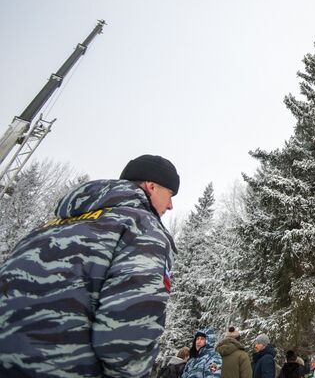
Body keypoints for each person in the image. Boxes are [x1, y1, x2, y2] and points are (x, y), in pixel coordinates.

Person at [0, 154, 180, 378]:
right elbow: (126, 331)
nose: (170, 206)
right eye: (170, 195)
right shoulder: (142, 228)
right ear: (151, 186)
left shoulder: (49, 225)